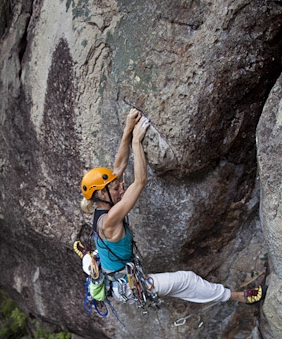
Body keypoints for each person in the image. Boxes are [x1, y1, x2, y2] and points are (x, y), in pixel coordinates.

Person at [80, 108, 265, 305]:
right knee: (186, 280)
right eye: (116, 189)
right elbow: (140, 181)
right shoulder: (109, 219)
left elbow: (119, 167)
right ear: (102, 193)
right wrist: (136, 142)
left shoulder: (102, 206)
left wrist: (127, 130)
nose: (121, 190)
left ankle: (221, 294)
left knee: (182, 286)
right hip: (127, 285)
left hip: (121, 277)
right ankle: (238, 297)